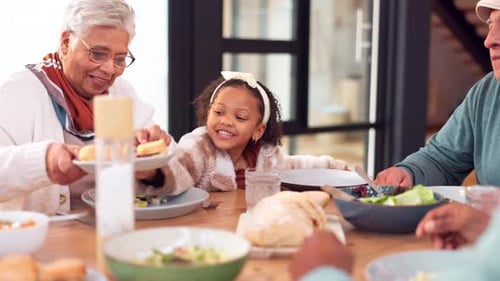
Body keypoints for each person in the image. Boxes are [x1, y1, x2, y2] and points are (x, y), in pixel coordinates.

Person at [0, 0, 171, 215]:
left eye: (119, 59)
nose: (109, 70)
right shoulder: (19, 92)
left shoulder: (121, 91)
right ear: (65, 43)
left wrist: (152, 169)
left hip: (111, 225)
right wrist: (45, 161)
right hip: (47, 235)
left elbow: (168, 159)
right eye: (98, 54)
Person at [141, 71, 348, 195]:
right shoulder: (199, 145)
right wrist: (152, 172)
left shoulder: (264, 157)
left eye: (240, 117)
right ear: (207, 113)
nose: (226, 121)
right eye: (218, 112)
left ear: (258, 131)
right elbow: (180, 171)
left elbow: (297, 167)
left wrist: (341, 170)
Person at [373, 0, 500, 189]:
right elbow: (441, 159)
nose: (489, 40)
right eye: (491, 24)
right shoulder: (487, 91)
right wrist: (408, 173)